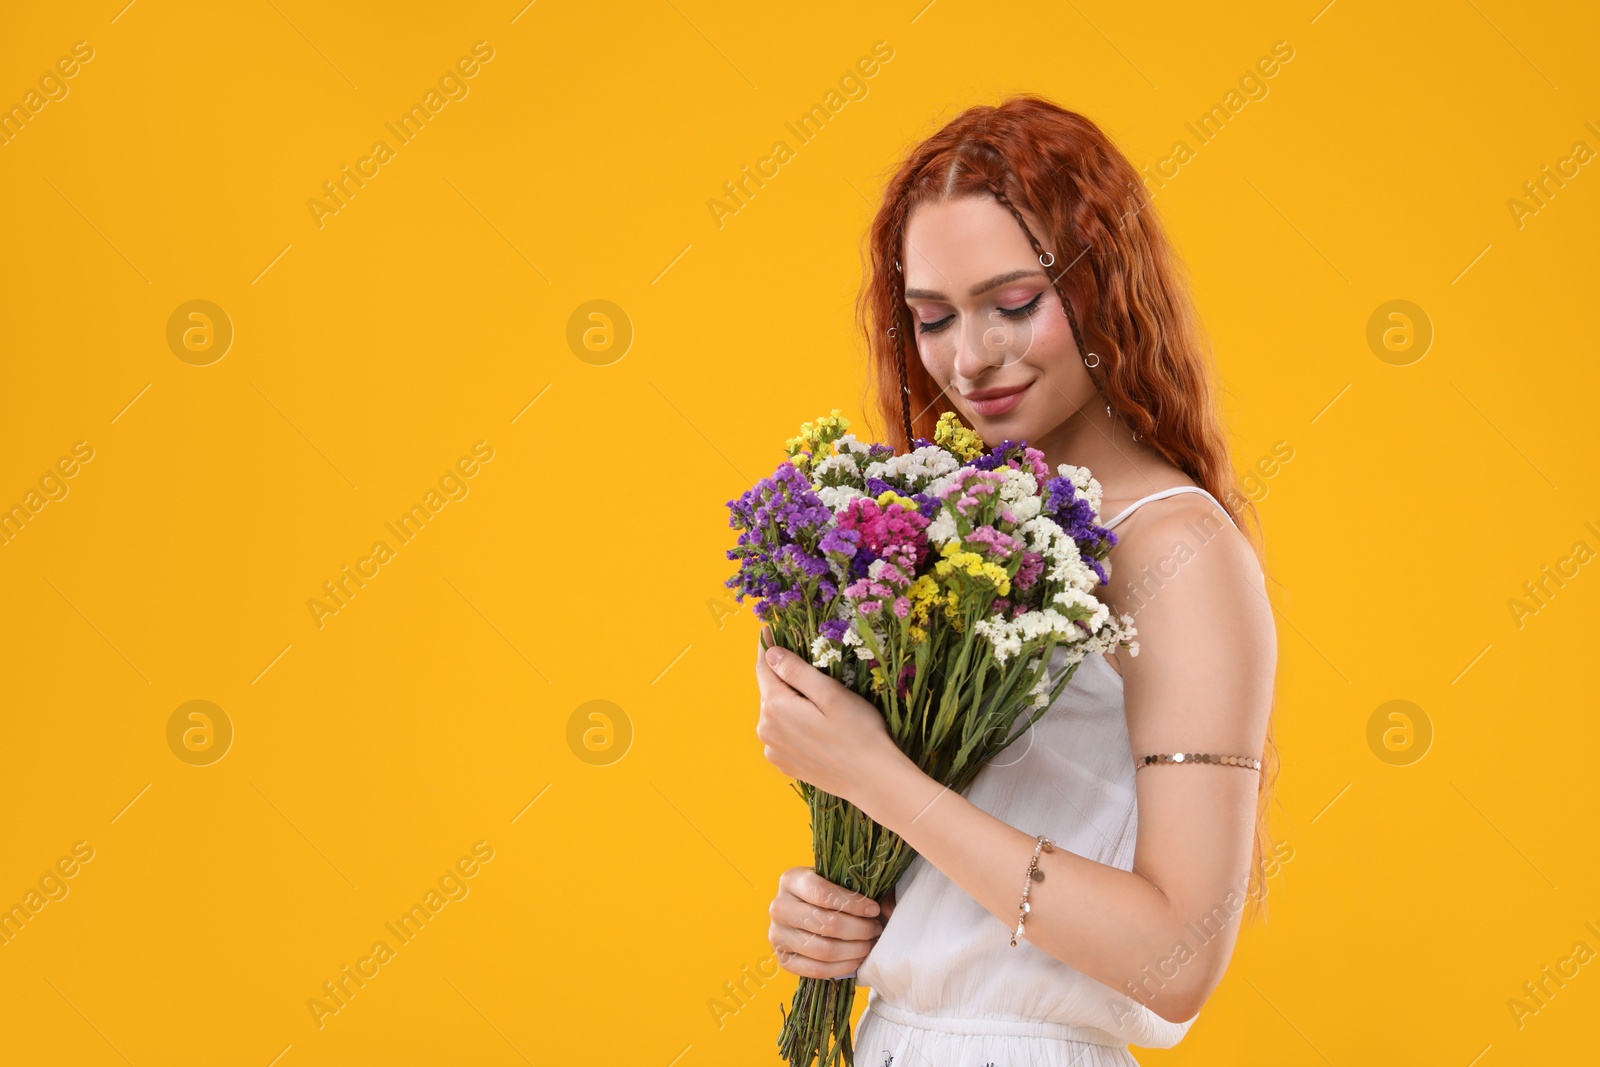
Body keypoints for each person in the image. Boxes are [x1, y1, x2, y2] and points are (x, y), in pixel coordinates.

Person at [757, 94, 1281, 1066]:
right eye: (931, 317)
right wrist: (841, 913)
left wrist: (871, 773)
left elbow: (1178, 956)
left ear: (1103, 286)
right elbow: (967, 876)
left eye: (1013, 304)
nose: (969, 357)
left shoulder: (1180, 554)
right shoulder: (963, 532)